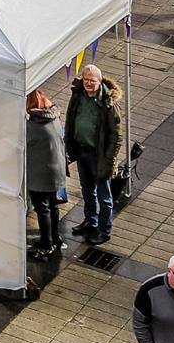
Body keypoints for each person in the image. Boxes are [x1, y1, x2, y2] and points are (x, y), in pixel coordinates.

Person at [65, 64, 123, 245]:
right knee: (87, 190)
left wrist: (108, 160)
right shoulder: (78, 95)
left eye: (93, 80)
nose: (89, 83)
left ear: (100, 81)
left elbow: (116, 136)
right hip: (81, 150)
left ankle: (104, 230)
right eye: (86, 79)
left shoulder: (108, 103)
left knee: (104, 197)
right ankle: (91, 221)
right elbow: (70, 118)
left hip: (99, 156)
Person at [26, 90, 66, 259]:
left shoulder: (33, 125)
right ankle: (55, 237)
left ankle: (46, 242)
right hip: (57, 170)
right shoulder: (54, 118)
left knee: (42, 209)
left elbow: (21, 144)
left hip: (40, 174)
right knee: (53, 205)